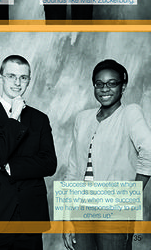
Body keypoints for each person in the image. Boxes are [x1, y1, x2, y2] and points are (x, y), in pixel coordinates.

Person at [63, 59, 151, 250]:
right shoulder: (82, 118)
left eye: (112, 83)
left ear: (123, 86)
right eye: (99, 84)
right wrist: (67, 217)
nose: (105, 89)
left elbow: (149, 151)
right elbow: (73, 169)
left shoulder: (130, 113)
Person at [0, 55, 57, 249]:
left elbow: (49, 163)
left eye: (23, 77)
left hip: (30, 212)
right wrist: (13, 118)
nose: (17, 82)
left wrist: (6, 166)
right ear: (0, 77)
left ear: (29, 80)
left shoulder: (40, 118)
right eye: (11, 76)